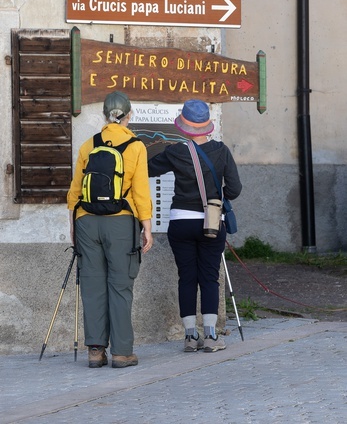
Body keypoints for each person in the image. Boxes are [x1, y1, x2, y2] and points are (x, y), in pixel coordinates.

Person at [148, 99, 242, 353]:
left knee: (187, 277)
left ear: (184, 129)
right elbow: (235, 189)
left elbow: (148, 169)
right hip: (211, 222)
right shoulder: (221, 151)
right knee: (210, 277)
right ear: (208, 127)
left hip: (180, 222)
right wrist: (217, 196)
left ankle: (190, 336)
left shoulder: (175, 152)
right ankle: (211, 337)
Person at [67, 91, 153, 369]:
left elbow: (74, 192)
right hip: (120, 221)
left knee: (92, 285)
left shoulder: (88, 145)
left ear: (104, 116)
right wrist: (147, 228)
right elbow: (140, 191)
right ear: (129, 116)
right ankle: (122, 352)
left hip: (85, 221)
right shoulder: (136, 146)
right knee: (120, 285)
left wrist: (73, 226)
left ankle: (95, 351)